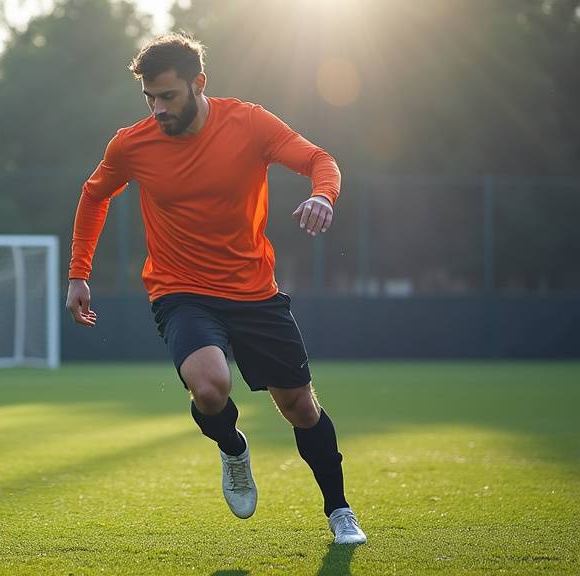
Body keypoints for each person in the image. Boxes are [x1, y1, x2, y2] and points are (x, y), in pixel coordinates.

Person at [65, 32, 366, 545]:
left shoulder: (248, 122)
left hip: (254, 291)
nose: (158, 109)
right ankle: (232, 448)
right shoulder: (131, 144)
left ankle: (339, 510)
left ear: (198, 83)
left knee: (299, 406)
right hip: (180, 290)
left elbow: (320, 159)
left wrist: (324, 195)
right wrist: (78, 272)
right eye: (150, 98)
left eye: (168, 96)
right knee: (209, 387)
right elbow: (94, 196)